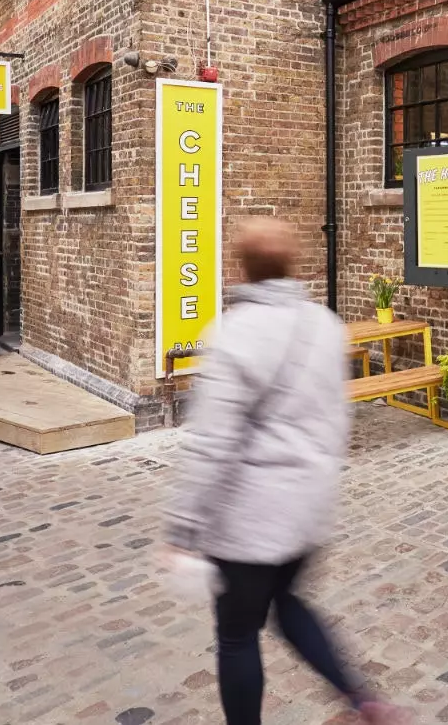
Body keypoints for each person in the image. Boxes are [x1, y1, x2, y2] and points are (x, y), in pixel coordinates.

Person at [164, 219, 406, 725]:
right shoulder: (323, 325)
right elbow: (336, 416)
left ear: (242, 268)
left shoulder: (231, 334)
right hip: (306, 511)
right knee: (289, 602)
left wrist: (182, 529)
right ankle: (361, 698)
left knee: (237, 634)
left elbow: (212, 443)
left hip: (248, 523)